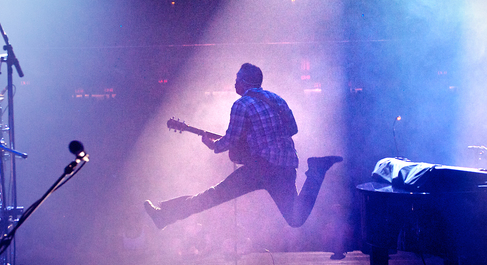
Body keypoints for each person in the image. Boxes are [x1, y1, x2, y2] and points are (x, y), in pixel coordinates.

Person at [144, 63, 341, 229]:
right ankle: (316, 170)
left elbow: (229, 140)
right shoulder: (277, 99)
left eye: (237, 79)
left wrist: (213, 145)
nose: (235, 82)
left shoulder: (242, 104)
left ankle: (165, 215)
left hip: (261, 168)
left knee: (212, 196)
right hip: (286, 165)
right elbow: (293, 129)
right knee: (295, 219)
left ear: (245, 81)